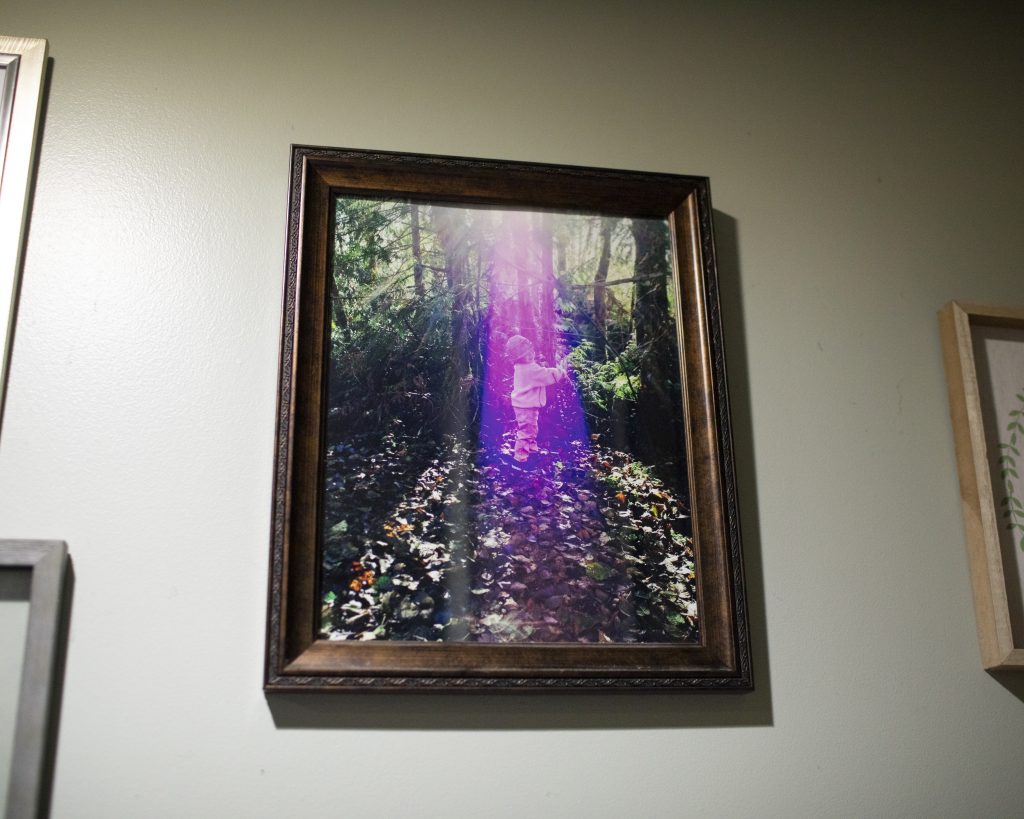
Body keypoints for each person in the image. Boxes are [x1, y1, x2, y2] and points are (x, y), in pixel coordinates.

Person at [504, 335, 567, 462]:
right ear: (520, 358)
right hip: (525, 405)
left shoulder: (522, 367)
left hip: (524, 404)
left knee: (531, 428)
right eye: (527, 355)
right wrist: (561, 372)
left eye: (531, 352)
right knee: (526, 431)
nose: (531, 356)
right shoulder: (529, 369)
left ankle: (531, 449)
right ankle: (520, 457)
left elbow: (540, 371)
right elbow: (545, 374)